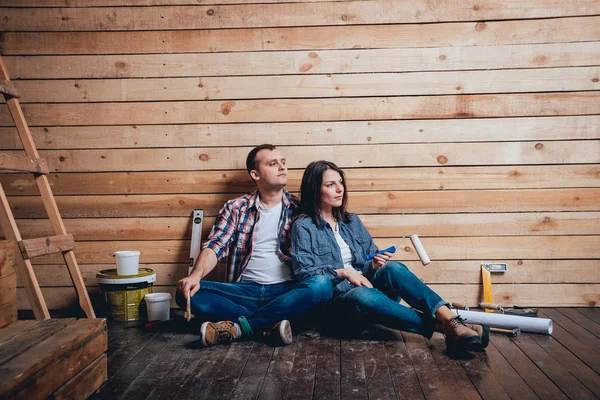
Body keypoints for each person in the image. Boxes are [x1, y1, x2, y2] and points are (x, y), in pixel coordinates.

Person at [290, 160, 489, 352]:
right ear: (315, 190)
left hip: (373, 299)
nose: (340, 189)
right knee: (361, 293)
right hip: (338, 308)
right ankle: (444, 327)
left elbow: (367, 261)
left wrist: (374, 264)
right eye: (330, 185)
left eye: (340, 182)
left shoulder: (351, 221)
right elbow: (305, 275)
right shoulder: (303, 226)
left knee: (392, 268)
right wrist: (344, 273)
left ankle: (450, 320)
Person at [177, 145, 333, 347]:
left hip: (287, 291)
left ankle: (238, 328)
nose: (282, 168)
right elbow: (216, 244)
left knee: (321, 285)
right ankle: (268, 324)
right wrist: (196, 275)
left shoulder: (301, 209)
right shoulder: (236, 208)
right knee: (186, 292)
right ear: (255, 174)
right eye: (273, 163)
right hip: (243, 292)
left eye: (283, 163)